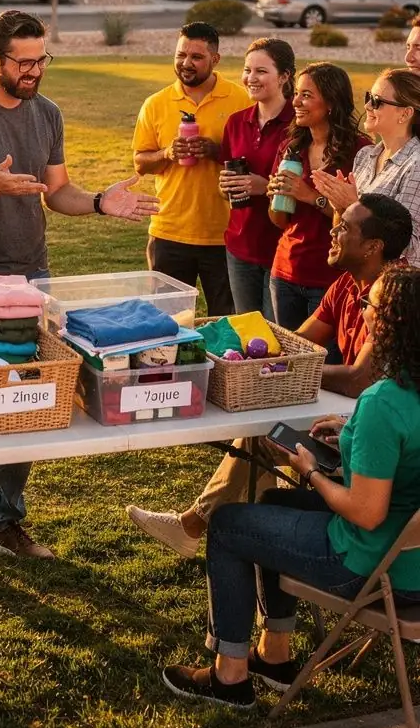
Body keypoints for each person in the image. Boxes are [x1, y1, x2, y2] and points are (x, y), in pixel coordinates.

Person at [0, 8, 157, 589]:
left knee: (26, 404)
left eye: (40, 60)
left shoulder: (46, 113)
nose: (33, 72)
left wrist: (101, 203)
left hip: (32, 280)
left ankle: (6, 521)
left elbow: (57, 193)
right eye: (22, 62)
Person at [160, 264, 420, 710]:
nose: (363, 310)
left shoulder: (383, 402)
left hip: (369, 564)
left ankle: (230, 676)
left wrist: (311, 470)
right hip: (411, 560)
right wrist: (351, 435)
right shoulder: (397, 400)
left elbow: (366, 512)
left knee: (227, 525)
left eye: (368, 304)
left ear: (391, 321)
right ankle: (274, 657)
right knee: (272, 501)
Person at [128, 193, 413, 556]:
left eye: (343, 228)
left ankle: (198, 526)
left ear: (373, 246)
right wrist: (243, 342)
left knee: (265, 437)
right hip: (357, 422)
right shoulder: (346, 284)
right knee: (267, 434)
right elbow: (297, 342)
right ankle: (232, 546)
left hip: (373, 441)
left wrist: (286, 368)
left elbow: (359, 380)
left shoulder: (392, 298)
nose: (333, 231)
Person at [132, 22, 247, 315]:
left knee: (226, 321)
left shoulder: (240, 100)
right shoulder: (156, 104)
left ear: (215, 59)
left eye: (196, 57)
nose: (186, 63)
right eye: (180, 55)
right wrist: (168, 153)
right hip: (169, 233)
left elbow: (255, 161)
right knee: (169, 324)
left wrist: (216, 152)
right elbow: (141, 162)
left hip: (223, 234)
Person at [267, 62, 366, 332]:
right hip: (285, 273)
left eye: (306, 95)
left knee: (326, 366)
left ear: (332, 102)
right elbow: (279, 221)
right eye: (296, 93)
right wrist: (277, 196)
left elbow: (363, 221)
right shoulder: (290, 149)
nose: (296, 101)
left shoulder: (361, 151)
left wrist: (311, 196)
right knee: (289, 360)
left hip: (330, 278)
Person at [218, 37, 295, 318]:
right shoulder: (236, 122)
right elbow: (226, 182)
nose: (251, 78)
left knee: (277, 340)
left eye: (261, 71)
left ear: (284, 76)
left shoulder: (298, 125)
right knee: (247, 333)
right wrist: (225, 186)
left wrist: (266, 187)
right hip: (240, 247)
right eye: (247, 69)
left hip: (281, 250)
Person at [312, 68, 420, 265]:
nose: (368, 106)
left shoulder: (416, 165)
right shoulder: (365, 155)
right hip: (361, 281)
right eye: (369, 97)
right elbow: (344, 233)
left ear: (405, 114)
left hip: (394, 287)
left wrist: (354, 204)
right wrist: (340, 207)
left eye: (377, 102)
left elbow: (409, 245)